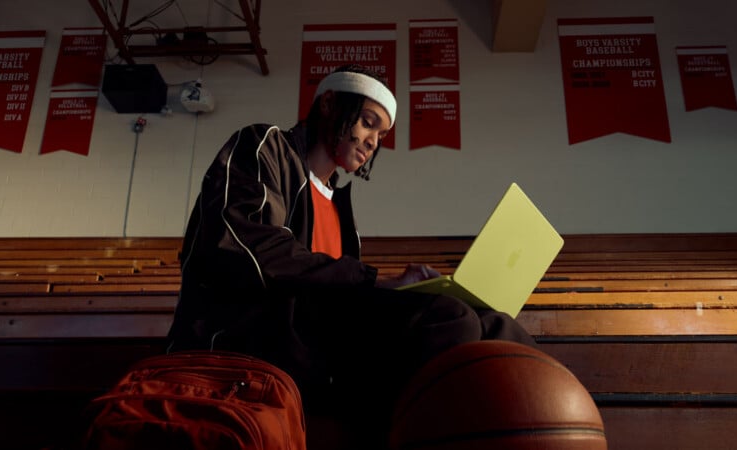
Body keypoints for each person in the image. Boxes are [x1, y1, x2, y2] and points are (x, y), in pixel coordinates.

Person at [167, 64, 536, 448]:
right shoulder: (264, 147)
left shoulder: (341, 211)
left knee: (497, 327)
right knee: (450, 320)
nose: (374, 141)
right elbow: (250, 249)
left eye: (381, 134)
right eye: (367, 122)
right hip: (251, 339)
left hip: (318, 347)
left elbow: (342, 295)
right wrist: (376, 280)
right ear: (329, 103)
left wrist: (400, 291)